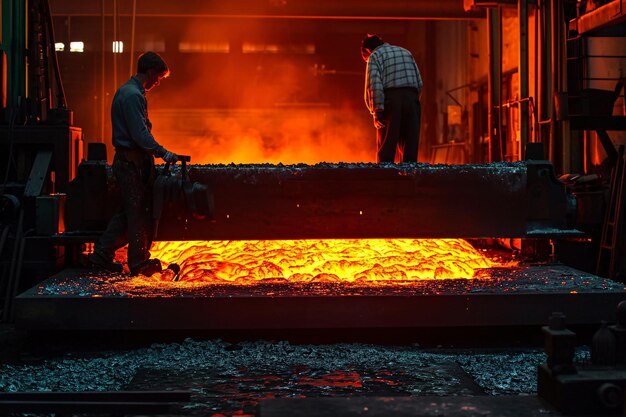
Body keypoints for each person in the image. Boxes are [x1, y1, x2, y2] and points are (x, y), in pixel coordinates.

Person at [88, 51, 179, 277]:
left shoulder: (131, 93)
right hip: (130, 163)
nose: (158, 82)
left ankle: (102, 255)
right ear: (150, 71)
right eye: (158, 76)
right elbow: (139, 134)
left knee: (129, 211)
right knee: (136, 212)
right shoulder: (132, 96)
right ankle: (138, 262)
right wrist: (163, 153)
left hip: (131, 161)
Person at [361, 34, 423, 163]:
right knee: (409, 146)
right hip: (412, 100)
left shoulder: (375, 56)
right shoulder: (406, 52)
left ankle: (385, 177)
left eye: (365, 58)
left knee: (386, 146)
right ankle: (408, 178)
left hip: (391, 101)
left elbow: (375, 86)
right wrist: (412, 101)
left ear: (367, 50)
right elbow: (419, 82)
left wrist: (377, 112)